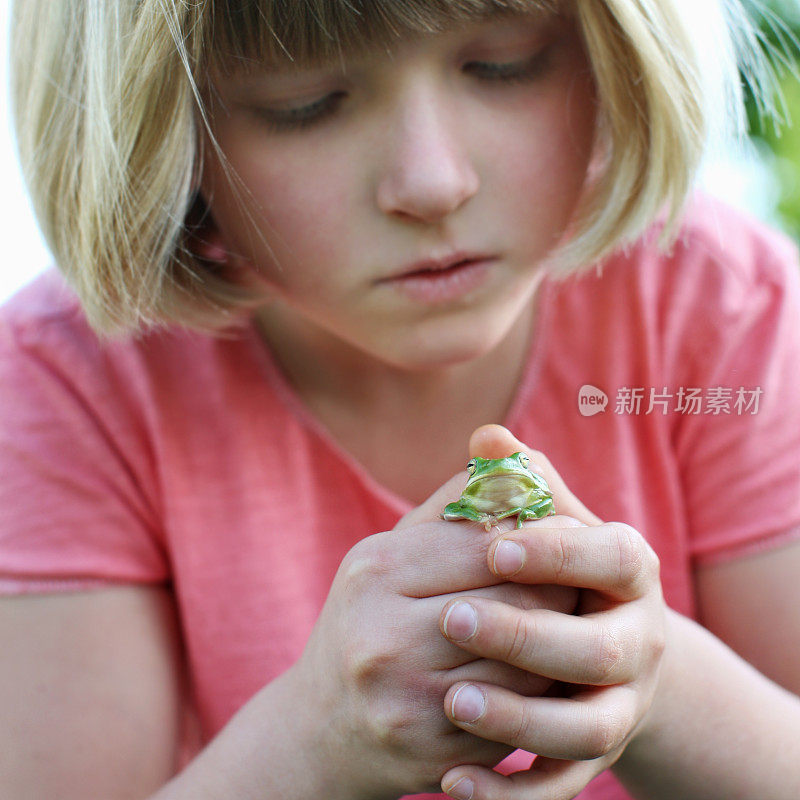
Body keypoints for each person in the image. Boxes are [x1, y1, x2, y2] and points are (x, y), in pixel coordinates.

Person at [1, 0, 799, 798]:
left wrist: (655, 681)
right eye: (302, 105)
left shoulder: (723, 309)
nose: (432, 182)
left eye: (505, 63)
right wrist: (312, 737)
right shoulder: (67, 386)